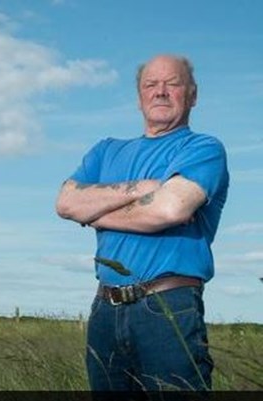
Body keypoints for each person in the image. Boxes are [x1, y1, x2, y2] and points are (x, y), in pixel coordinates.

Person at [56, 54, 229, 391]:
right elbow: (65, 203)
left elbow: (169, 210)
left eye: (172, 83)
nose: (160, 92)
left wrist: (93, 213)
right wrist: (145, 188)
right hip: (104, 310)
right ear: (139, 97)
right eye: (151, 84)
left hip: (168, 306)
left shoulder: (203, 148)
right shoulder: (106, 151)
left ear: (192, 95)